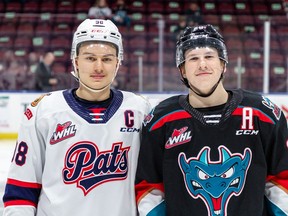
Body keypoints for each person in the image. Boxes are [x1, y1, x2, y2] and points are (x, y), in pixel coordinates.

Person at [2, 19, 151, 216]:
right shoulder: (44, 111)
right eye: (90, 58)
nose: (99, 67)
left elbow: (151, 187)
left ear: (118, 62)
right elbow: (21, 190)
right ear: (76, 60)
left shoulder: (140, 110)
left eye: (107, 59)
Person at [135, 24, 288, 215]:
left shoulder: (261, 113)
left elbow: (281, 178)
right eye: (193, 58)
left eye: (209, 56)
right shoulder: (161, 119)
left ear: (223, 64)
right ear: (182, 70)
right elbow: (149, 186)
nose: (202, 65)